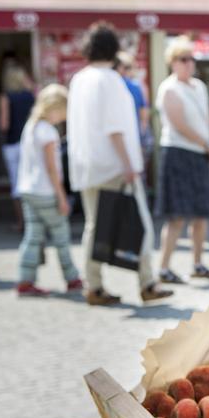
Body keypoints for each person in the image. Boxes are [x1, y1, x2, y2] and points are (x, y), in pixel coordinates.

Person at [67, 21, 172, 305]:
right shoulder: (110, 80)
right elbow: (115, 128)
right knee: (139, 222)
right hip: (114, 164)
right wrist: (129, 164)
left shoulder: (80, 79)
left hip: (87, 165)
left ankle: (94, 284)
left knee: (93, 226)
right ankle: (147, 281)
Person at [155, 37, 209, 283]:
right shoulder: (169, 88)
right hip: (178, 153)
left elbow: (205, 119)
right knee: (176, 215)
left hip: (199, 154)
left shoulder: (199, 86)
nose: (189, 63)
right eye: (184, 59)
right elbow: (179, 124)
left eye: (191, 59)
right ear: (173, 63)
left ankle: (198, 263)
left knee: (201, 213)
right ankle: (164, 267)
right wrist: (205, 144)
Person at [14, 84, 83, 297]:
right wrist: (62, 197)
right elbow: (52, 169)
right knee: (61, 237)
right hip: (46, 192)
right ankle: (72, 278)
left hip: (27, 189)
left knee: (32, 236)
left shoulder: (31, 127)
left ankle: (25, 279)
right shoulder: (49, 133)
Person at [0, 66, 35, 230]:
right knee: (32, 181)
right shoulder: (31, 96)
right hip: (29, 143)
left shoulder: (6, 97)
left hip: (13, 142)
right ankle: (33, 222)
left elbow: (4, 124)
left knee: (17, 184)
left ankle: (21, 222)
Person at [116, 52, 153, 169]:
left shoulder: (135, 86)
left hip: (127, 139)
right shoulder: (136, 86)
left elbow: (144, 114)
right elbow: (144, 115)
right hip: (131, 139)